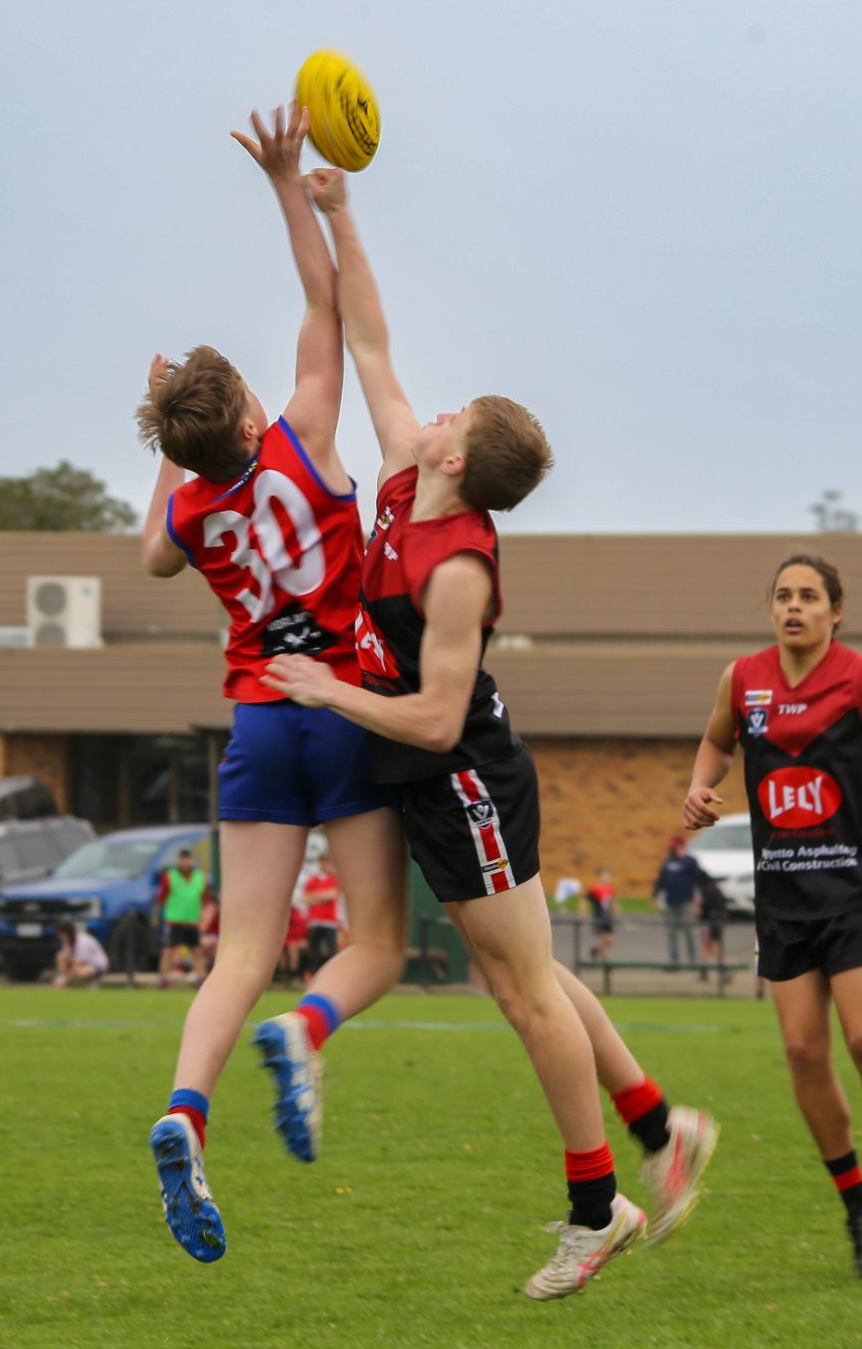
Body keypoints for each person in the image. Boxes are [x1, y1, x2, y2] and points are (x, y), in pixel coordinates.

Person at [264, 166, 718, 1297]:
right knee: (536, 976)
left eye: (451, 417)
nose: (433, 412)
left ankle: (591, 1209)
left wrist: (325, 691)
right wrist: (335, 211)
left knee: (520, 991)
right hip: (424, 768)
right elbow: (368, 341)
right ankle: (665, 1132)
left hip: (462, 774)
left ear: (454, 459)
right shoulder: (397, 485)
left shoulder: (456, 563)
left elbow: (431, 713)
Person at [138, 104, 407, 1266]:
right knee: (378, 941)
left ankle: (184, 1114)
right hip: (339, 702)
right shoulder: (300, 431)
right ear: (250, 411)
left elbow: (150, 553)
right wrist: (289, 185)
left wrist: (166, 444)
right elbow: (322, 306)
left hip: (255, 721)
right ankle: (308, 1031)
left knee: (235, 953)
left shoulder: (190, 508)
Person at [683, 553, 862, 1276]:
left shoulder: (855, 677)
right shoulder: (743, 677)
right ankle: (855, 1206)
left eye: (809, 597)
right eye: (783, 596)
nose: (794, 607)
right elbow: (716, 744)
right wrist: (699, 788)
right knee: (801, 1052)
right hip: (783, 899)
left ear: (835, 612)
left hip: (851, 889)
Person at [156, 847, 206, 989]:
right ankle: (164, 978)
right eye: (183, 859)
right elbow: (162, 897)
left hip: (192, 921)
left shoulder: (199, 876)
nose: (185, 862)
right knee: (168, 950)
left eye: (188, 859)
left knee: (197, 950)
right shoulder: (170, 876)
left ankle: (201, 978)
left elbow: (204, 898)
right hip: (174, 920)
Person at [653, 834, 700, 966]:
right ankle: (674, 961)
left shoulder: (690, 862)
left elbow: (699, 879)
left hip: (686, 902)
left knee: (689, 930)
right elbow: (661, 881)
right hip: (670, 902)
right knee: (671, 933)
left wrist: (699, 901)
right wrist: (655, 895)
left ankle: (693, 960)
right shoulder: (667, 863)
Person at [302, 854, 341, 975]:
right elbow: (306, 898)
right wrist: (323, 896)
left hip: (330, 922)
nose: (325, 865)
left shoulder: (333, 879)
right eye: (323, 862)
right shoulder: (312, 880)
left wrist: (315, 896)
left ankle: (334, 974)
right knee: (314, 952)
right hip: (314, 921)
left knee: (332, 951)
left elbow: (333, 895)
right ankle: (313, 975)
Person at [694, 864, 728, 982]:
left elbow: (703, 907)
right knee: (712, 945)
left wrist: (699, 907)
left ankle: (706, 971)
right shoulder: (715, 888)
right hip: (717, 921)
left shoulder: (704, 890)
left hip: (708, 922)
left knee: (706, 945)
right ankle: (716, 970)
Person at [53, 919, 109, 986]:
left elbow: (79, 965)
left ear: (66, 932)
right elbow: (68, 961)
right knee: (61, 956)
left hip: (97, 966)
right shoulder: (67, 942)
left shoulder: (83, 941)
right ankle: (63, 978)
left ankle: (91, 982)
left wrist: (64, 979)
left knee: (80, 973)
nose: (59, 936)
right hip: (80, 966)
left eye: (60, 933)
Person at [584, 867, 617, 961]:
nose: (607, 878)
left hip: (607, 918)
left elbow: (612, 900)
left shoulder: (609, 889)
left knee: (609, 940)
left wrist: (615, 909)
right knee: (604, 938)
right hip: (598, 918)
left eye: (608, 876)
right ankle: (606, 960)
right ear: (599, 877)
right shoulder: (595, 889)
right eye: (604, 876)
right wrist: (584, 912)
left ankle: (595, 950)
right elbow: (585, 900)